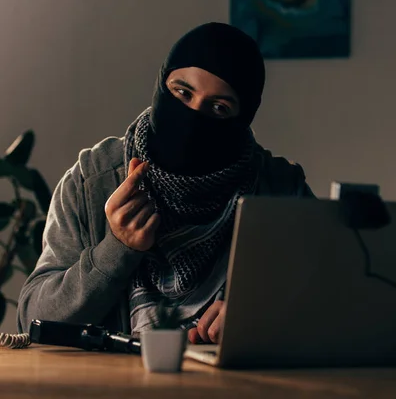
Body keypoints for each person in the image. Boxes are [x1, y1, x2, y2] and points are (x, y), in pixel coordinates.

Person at [17, 22, 314, 344]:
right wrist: (115, 249)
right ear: (162, 85)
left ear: (243, 119)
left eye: (219, 107)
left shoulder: (279, 189)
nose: (192, 115)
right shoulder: (93, 179)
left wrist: (262, 311)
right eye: (182, 93)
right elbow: (35, 319)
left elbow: (333, 300)